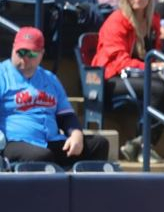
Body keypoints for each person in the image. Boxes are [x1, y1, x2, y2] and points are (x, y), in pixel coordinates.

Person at [91, 0, 164, 162]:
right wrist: (154, 68)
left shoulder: (153, 21)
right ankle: (144, 146)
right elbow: (118, 61)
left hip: (138, 75)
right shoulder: (116, 20)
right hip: (110, 78)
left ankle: (140, 144)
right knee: (158, 88)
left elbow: (156, 54)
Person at [0, 27, 110, 167]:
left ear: (41, 54)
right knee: (42, 156)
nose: (25, 58)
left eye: (31, 54)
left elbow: (66, 116)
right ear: (13, 49)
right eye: (21, 52)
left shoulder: (50, 79)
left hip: (51, 141)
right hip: (14, 142)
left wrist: (76, 135)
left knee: (99, 144)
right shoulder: (2, 75)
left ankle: (87, 189)